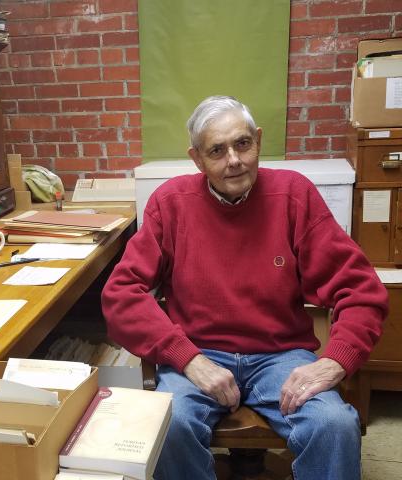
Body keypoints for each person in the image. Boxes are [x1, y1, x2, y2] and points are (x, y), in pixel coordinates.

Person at [102, 95, 388, 480]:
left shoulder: (294, 195)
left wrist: (337, 359)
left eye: (242, 144)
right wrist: (186, 358)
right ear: (197, 159)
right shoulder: (169, 204)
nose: (233, 160)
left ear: (258, 140)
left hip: (281, 355)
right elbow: (121, 293)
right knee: (168, 425)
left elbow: (361, 289)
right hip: (198, 354)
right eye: (216, 151)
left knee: (334, 424)